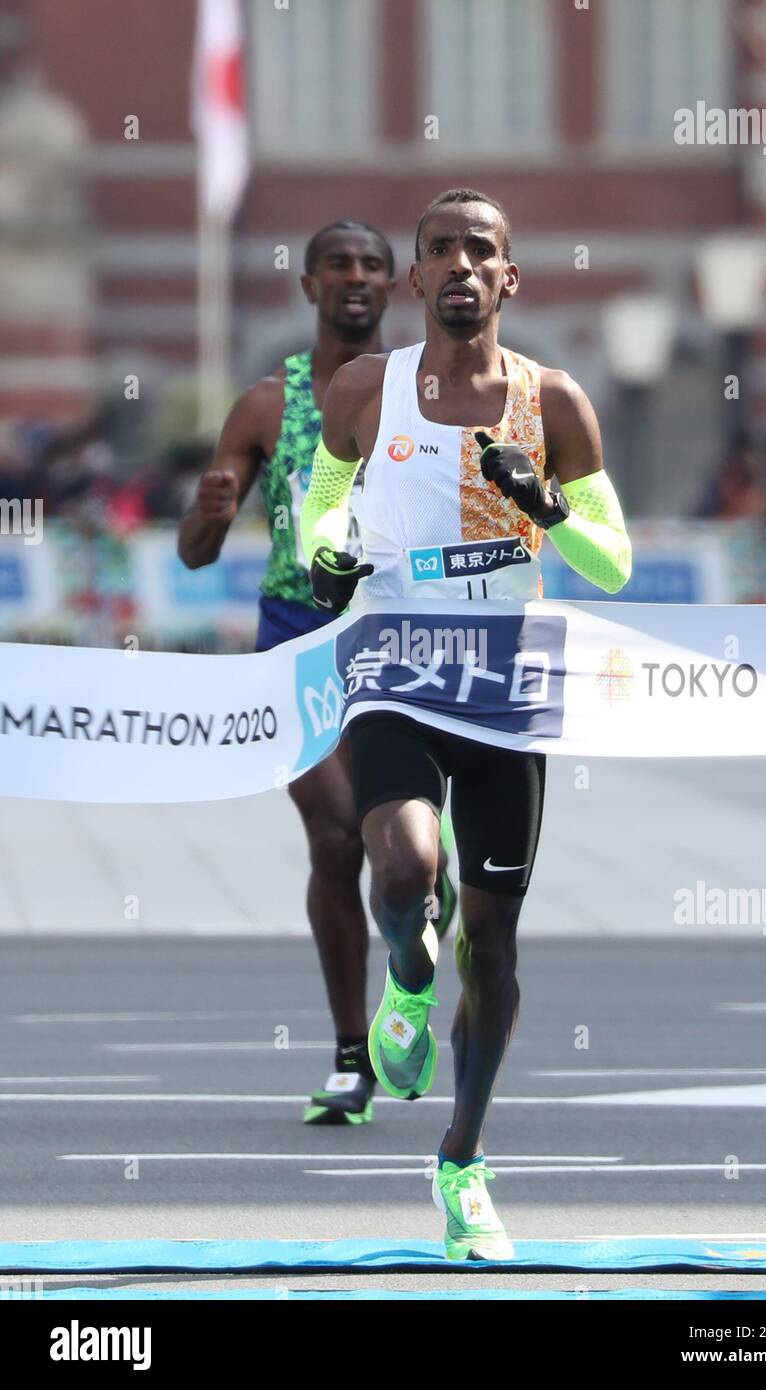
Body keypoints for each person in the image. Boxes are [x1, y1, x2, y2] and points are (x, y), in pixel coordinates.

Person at [300, 188, 631, 1258]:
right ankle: (401, 981)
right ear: (415, 280)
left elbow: (611, 563)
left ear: (507, 277)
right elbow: (320, 509)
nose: (456, 264)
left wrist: (543, 509)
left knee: (491, 946)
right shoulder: (365, 388)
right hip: (396, 663)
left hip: (504, 682)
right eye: (436, 249)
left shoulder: (553, 401)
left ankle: (462, 1162)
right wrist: (327, 554)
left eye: (477, 250)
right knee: (397, 873)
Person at [178, 219, 457, 1126]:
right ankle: (351, 1054)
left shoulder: (420, 391)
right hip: (295, 639)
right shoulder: (268, 403)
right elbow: (194, 553)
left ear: (398, 285)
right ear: (308, 286)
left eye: (373, 265)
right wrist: (211, 510)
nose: (355, 277)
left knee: (400, 855)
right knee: (336, 838)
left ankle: (415, 918)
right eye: (337, 264)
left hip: (396, 637)